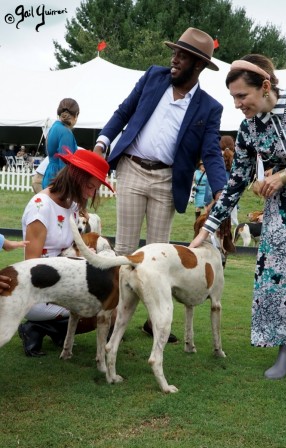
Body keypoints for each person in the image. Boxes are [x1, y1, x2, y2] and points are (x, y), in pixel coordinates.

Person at [94, 27, 227, 342]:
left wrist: (221, 190)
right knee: (125, 250)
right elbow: (123, 111)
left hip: (168, 181)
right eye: (175, 52)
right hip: (131, 169)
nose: (174, 59)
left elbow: (210, 152)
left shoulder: (209, 108)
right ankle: (113, 318)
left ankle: (155, 324)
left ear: (197, 65)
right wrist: (102, 142)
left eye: (182, 56)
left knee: (160, 259)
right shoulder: (153, 76)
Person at [190, 54, 286, 380]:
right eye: (233, 97)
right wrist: (206, 230)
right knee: (279, 281)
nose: (238, 104)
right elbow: (235, 184)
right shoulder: (248, 128)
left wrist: (283, 176)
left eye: (242, 96)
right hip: (282, 214)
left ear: (265, 86)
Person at [18, 149, 114, 357]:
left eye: (94, 189)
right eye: (89, 186)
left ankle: (53, 330)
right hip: (38, 290)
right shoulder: (40, 207)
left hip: (61, 282)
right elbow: (31, 267)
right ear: (75, 177)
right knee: (98, 312)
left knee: (110, 306)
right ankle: (36, 328)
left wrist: (82, 254)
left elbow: (68, 248)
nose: (90, 194)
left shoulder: (71, 205)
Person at [42, 98, 79, 188]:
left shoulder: (54, 127)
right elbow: (64, 163)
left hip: (50, 174)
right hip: (58, 179)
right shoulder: (65, 132)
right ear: (76, 115)